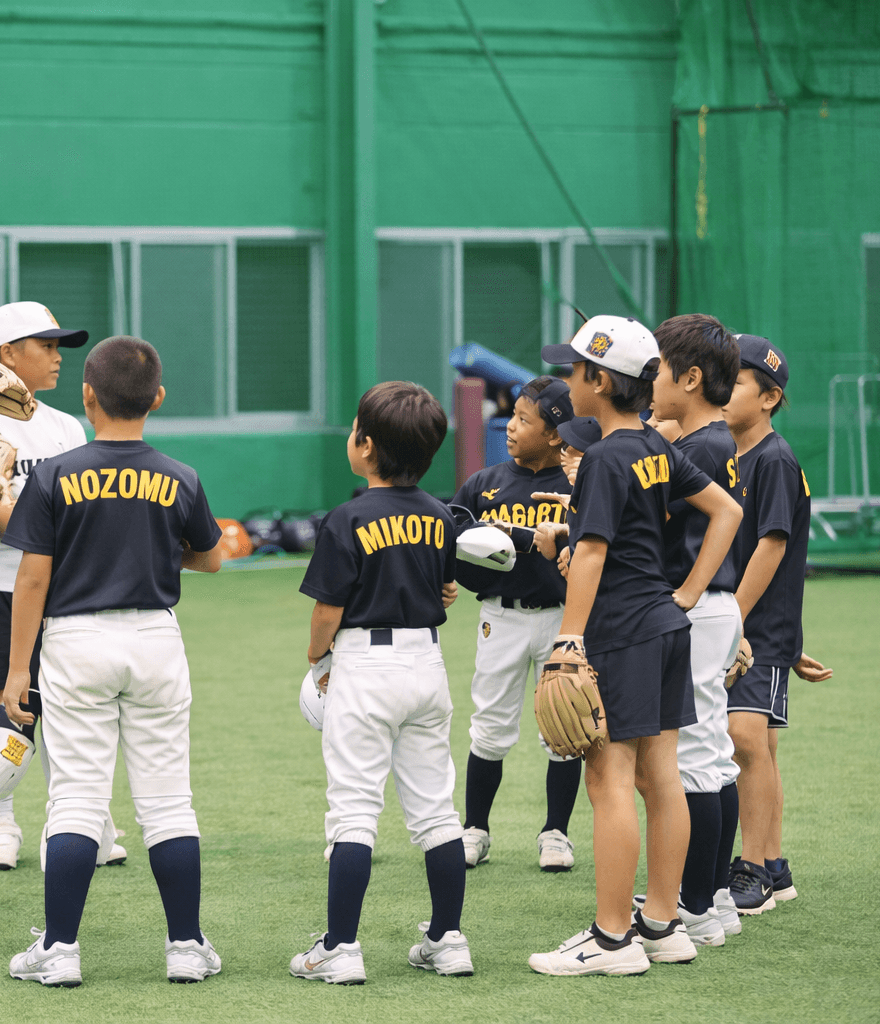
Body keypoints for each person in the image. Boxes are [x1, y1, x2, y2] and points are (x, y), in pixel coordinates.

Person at [0, 336, 225, 987]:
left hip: (75, 642)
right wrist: (155, 546)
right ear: (158, 398)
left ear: (87, 396)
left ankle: (59, 950)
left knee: (75, 797)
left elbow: (32, 579)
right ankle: (186, 947)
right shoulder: (180, 475)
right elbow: (211, 558)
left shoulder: (54, 474)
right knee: (168, 801)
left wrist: (17, 670)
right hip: (155, 638)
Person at [526, 316, 741, 976]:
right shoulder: (653, 444)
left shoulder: (604, 457)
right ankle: (663, 926)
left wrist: (568, 638)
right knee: (661, 776)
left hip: (622, 629)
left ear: (599, 380)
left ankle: (612, 940)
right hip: (667, 626)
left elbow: (591, 553)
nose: (567, 380)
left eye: (574, 369)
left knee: (610, 778)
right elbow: (727, 511)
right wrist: (687, 595)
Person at [0, 301, 123, 871]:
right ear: (7, 354)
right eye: (47, 346)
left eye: (60, 346)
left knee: (65, 706)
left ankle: (78, 821)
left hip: (60, 587)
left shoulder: (64, 426)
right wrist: (16, 519)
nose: (58, 357)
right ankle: (0, 826)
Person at [293, 381, 471, 985]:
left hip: (365, 666)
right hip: (426, 665)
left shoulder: (346, 517)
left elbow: (327, 609)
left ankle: (340, 948)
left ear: (365, 446)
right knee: (437, 811)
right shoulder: (439, 514)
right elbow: (444, 587)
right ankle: (447, 940)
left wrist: (317, 658)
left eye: (354, 429)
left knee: (353, 811)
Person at [449, 376, 582, 873]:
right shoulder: (484, 483)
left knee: (565, 725)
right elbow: (451, 535)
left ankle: (556, 833)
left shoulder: (576, 486)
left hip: (562, 618)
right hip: (499, 618)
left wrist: (527, 537)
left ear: (555, 434)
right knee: (489, 726)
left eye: (524, 420)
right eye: (513, 417)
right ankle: (475, 829)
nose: (509, 426)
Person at [723, 335, 833, 914]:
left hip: (757, 627)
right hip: (752, 625)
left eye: (735, 382)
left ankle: (753, 870)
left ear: (769, 398)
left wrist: (732, 618)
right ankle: (772, 865)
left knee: (744, 740)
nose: (722, 391)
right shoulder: (731, 455)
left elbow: (772, 546)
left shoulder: (773, 459)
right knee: (758, 743)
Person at [648, 314, 746, 944]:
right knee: (712, 755)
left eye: (656, 369)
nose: (648, 381)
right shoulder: (706, 439)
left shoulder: (703, 446)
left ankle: (698, 906)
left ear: (689, 378)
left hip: (699, 604)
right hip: (711, 606)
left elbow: (716, 518)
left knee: (696, 761)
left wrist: (686, 593)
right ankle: (713, 896)